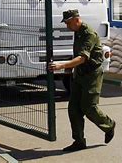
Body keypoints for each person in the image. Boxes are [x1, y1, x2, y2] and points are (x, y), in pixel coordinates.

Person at [49, 9, 116, 152]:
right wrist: (69, 69)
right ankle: (79, 141)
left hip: (92, 75)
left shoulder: (89, 34)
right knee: (73, 109)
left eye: (68, 22)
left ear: (76, 20)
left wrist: (62, 65)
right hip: (79, 74)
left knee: (89, 107)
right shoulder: (77, 33)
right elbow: (77, 55)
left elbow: (82, 58)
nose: (67, 26)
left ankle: (109, 125)